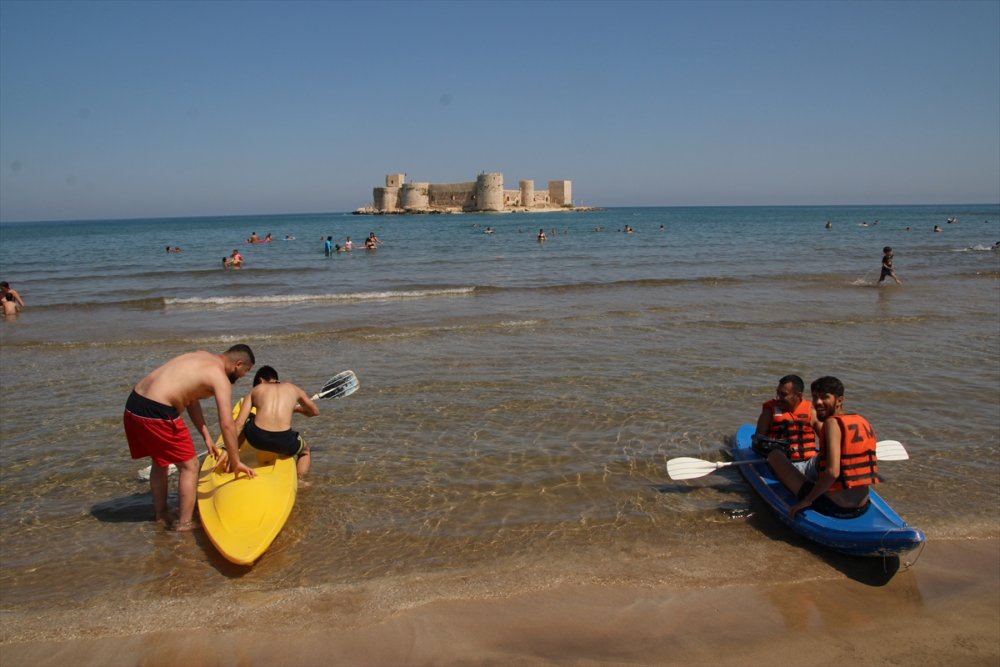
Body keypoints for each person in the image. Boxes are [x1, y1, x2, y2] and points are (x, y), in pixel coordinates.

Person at [123, 345, 257, 531]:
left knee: (160, 461)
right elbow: (226, 424)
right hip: (157, 411)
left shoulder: (201, 356)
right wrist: (235, 462)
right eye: (246, 371)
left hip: (134, 404)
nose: (244, 376)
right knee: (190, 466)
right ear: (238, 364)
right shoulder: (219, 378)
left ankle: (160, 513)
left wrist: (207, 437)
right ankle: (184, 524)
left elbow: (191, 400)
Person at [767, 376, 880, 519]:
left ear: (839, 400)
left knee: (775, 455)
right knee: (820, 458)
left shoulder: (832, 424)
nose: (818, 402)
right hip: (862, 505)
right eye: (815, 398)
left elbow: (833, 472)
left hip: (834, 506)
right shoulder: (862, 420)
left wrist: (807, 500)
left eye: (825, 397)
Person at [232, 366, 319, 480]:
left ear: (261, 381)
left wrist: (226, 450)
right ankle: (301, 480)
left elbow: (239, 424)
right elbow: (314, 412)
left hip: (257, 438)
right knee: (305, 451)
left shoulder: (255, 390)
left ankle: (231, 461)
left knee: (248, 419)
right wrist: (297, 409)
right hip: (284, 440)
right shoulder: (294, 389)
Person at [754, 374, 821, 471]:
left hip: (809, 463)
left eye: (783, 394)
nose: (777, 397)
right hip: (784, 464)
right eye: (777, 393)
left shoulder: (811, 412)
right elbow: (757, 441)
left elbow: (826, 440)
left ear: (798, 395)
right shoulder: (769, 412)